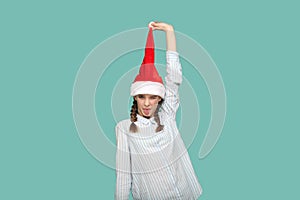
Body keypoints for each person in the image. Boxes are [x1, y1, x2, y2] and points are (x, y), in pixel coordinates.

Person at [115, 21, 203, 200]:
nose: (147, 104)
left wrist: (169, 33)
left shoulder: (167, 117)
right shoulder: (124, 129)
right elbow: (123, 176)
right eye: (142, 97)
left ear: (160, 99)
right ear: (135, 97)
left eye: (153, 97)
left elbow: (174, 78)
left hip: (185, 193)